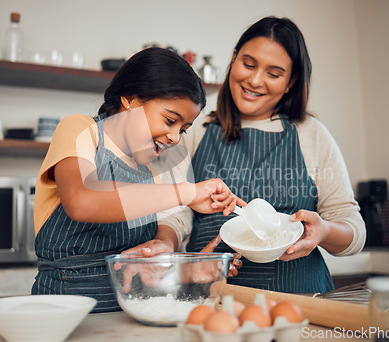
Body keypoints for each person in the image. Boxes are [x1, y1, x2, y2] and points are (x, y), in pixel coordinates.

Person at [160, 16, 366, 294]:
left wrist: (325, 232)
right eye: (248, 64)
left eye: (274, 73)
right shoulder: (194, 131)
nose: (255, 80)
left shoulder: (312, 134)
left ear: (291, 81)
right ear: (233, 59)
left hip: (304, 300)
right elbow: (174, 214)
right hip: (213, 297)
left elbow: (352, 227)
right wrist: (164, 245)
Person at [31, 47, 243, 313]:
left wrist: (174, 256)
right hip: (64, 310)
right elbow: (82, 201)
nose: (175, 138)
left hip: (133, 312)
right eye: (169, 120)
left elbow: (159, 239)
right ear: (130, 98)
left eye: (183, 129)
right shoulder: (81, 131)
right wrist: (186, 193)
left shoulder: (157, 166)